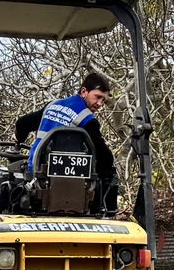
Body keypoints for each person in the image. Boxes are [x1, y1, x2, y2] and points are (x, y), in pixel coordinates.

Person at [22, 71, 121, 214]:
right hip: (67, 183)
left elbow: (23, 123)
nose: (100, 104)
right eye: (98, 97)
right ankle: (105, 213)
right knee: (108, 171)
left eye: (103, 100)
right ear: (84, 91)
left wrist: (18, 138)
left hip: (35, 174)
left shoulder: (52, 106)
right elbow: (105, 159)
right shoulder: (87, 119)